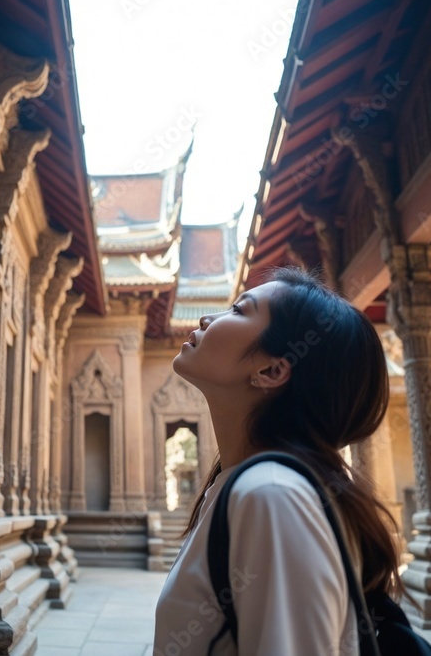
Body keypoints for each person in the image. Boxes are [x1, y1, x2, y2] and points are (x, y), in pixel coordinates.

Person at [153, 267, 404, 656]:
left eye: (238, 310)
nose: (208, 318)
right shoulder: (241, 485)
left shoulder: (272, 496)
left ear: (271, 370)